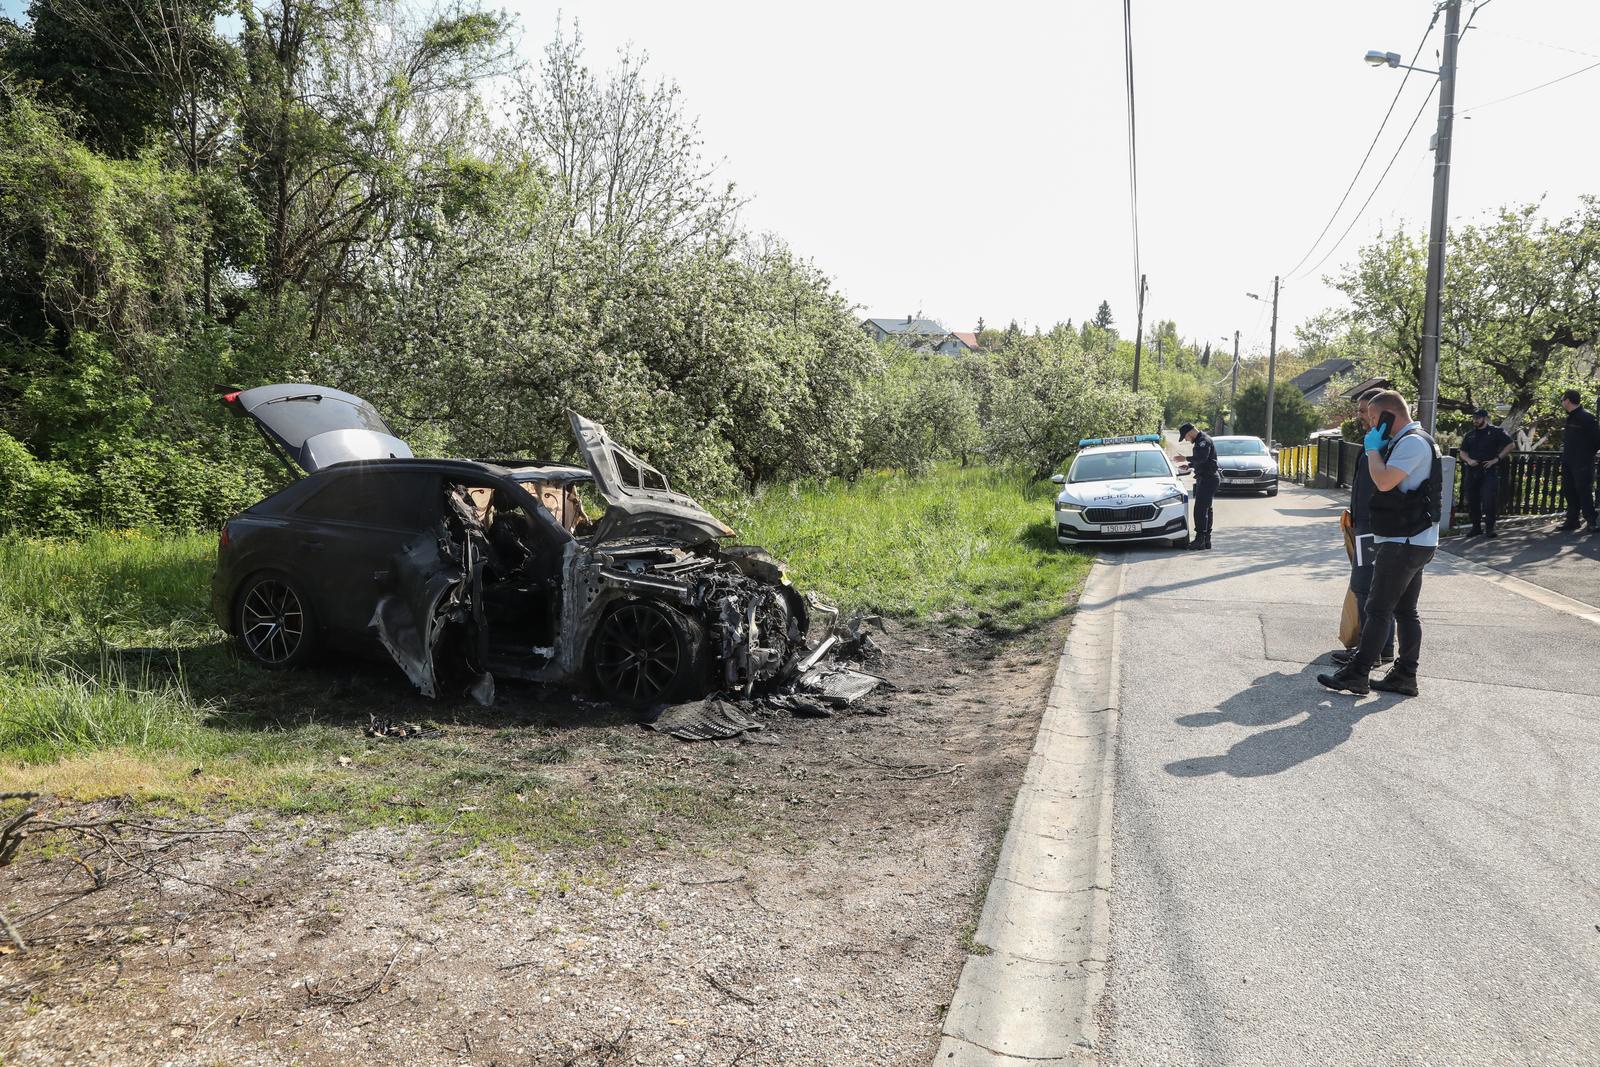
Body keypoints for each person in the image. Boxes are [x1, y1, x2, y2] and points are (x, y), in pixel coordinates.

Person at [1318, 390, 1441, 697]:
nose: (1371, 424)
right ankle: (1405, 675)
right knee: (1404, 610)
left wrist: (1373, 450)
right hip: (1413, 539)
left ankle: (1358, 673)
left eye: (1374, 418)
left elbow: (1384, 482)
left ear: (1389, 415)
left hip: (1403, 541)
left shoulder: (1412, 442)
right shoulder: (1414, 440)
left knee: (1378, 608)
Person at [1330, 390, 1395, 669]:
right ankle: (1381, 649)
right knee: (1371, 588)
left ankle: (1371, 652)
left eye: (1363, 410)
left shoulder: (1386, 444)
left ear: (1379, 413)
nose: (1359, 415)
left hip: (1373, 528)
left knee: (1366, 587)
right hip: (1365, 525)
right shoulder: (1374, 442)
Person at [1458, 408, 1513, 537]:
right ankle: (1476, 527)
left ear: (1485, 418)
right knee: (1473, 500)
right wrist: (1469, 460)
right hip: (1473, 471)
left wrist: (1497, 459)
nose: (1475, 420)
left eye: (1478, 418)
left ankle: (1490, 528)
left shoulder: (1496, 432)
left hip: (1489, 470)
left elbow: (1511, 445)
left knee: (1489, 500)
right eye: (1474, 418)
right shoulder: (1470, 434)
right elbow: (1463, 452)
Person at [1557, 389, 1600, 533]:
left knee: (1584, 491)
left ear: (1568, 400)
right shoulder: (1570, 417)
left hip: (1582, 462)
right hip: (1568, 460)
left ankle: (1591, 521)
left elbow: (1597, 440)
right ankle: (1572, 520)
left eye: (1562, 399)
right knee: (1569, 490)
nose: (1562, 402)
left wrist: (1586, 455)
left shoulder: (1587, 417)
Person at [1178, 423, 1219, 550]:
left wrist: (1185, 458)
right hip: (1206, 478)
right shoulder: (1200, 440)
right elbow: (1203, 461)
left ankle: (1200, 540)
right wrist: (1189, 465)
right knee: (1206, 509)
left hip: (1208, 479)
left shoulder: (1203, 441)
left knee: (1200, 510)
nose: (1186, 440)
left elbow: (1202, 458)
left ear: (1189, 433)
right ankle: (1206, 540)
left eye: (1185, 437)